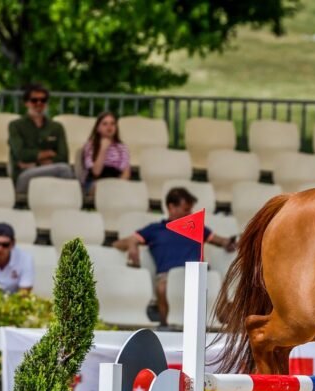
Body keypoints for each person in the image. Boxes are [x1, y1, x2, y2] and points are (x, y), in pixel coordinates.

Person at [113, 187, 237, 327]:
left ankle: (227, 327)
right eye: (186, 209)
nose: (190, 213)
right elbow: (117, 243)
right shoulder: (155, 229)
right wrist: (132, 244)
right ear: (171, 207)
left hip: (199, 275)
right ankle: (167, 326)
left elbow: (222, 241)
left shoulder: (195, 227)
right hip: (168, 277)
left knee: (217, 281)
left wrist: (230, 242)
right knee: (162, 287)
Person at [7, 83, 75, 194]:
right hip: (24, 175)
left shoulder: (56, 127)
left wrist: (35, 163)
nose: (39, 103)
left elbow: (63, 157)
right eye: (34, 100)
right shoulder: (15, 126)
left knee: (65, 169)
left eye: (43, 100)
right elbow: (20, 154)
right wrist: (49, 153)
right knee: (64, 170)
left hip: (50, 173)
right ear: (26, 103)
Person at [82, 111, 131, 192]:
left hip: (115, 181)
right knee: (99, 188)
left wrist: (118, 187)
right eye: (105, 124)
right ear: (98, 128)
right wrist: (103, 149)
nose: (109, 127)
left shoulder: (122, 147)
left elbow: (126, 172)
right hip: (95, 181)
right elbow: (96, 172)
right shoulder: (90, 146)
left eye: (112, 124)